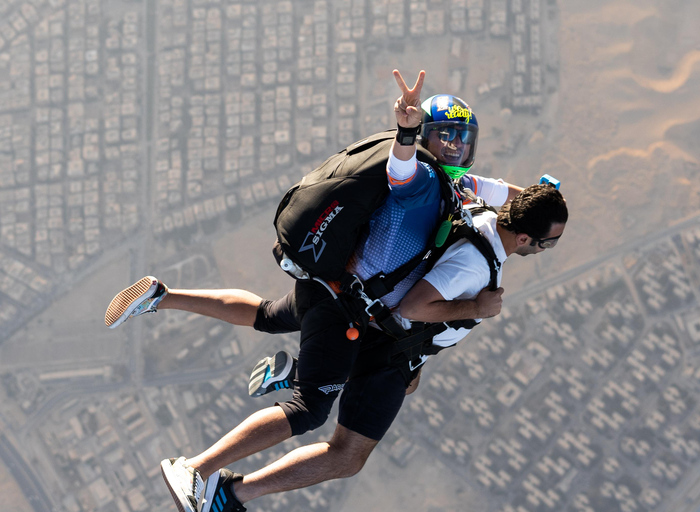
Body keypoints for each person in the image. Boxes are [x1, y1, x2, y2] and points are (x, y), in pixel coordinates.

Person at [105, 70, 539, 512]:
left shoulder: (456, 185)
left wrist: (542, 199)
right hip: (345, 305)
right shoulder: (424, 184)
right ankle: (196, 469)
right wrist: (406, 133)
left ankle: (162, 295)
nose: (456, 148)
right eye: (447, 138)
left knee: (267, 315)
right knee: (307, 410)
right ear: (428, 135)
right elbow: (400, 170)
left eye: (463, 140)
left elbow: (506, 193)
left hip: (330, 287)